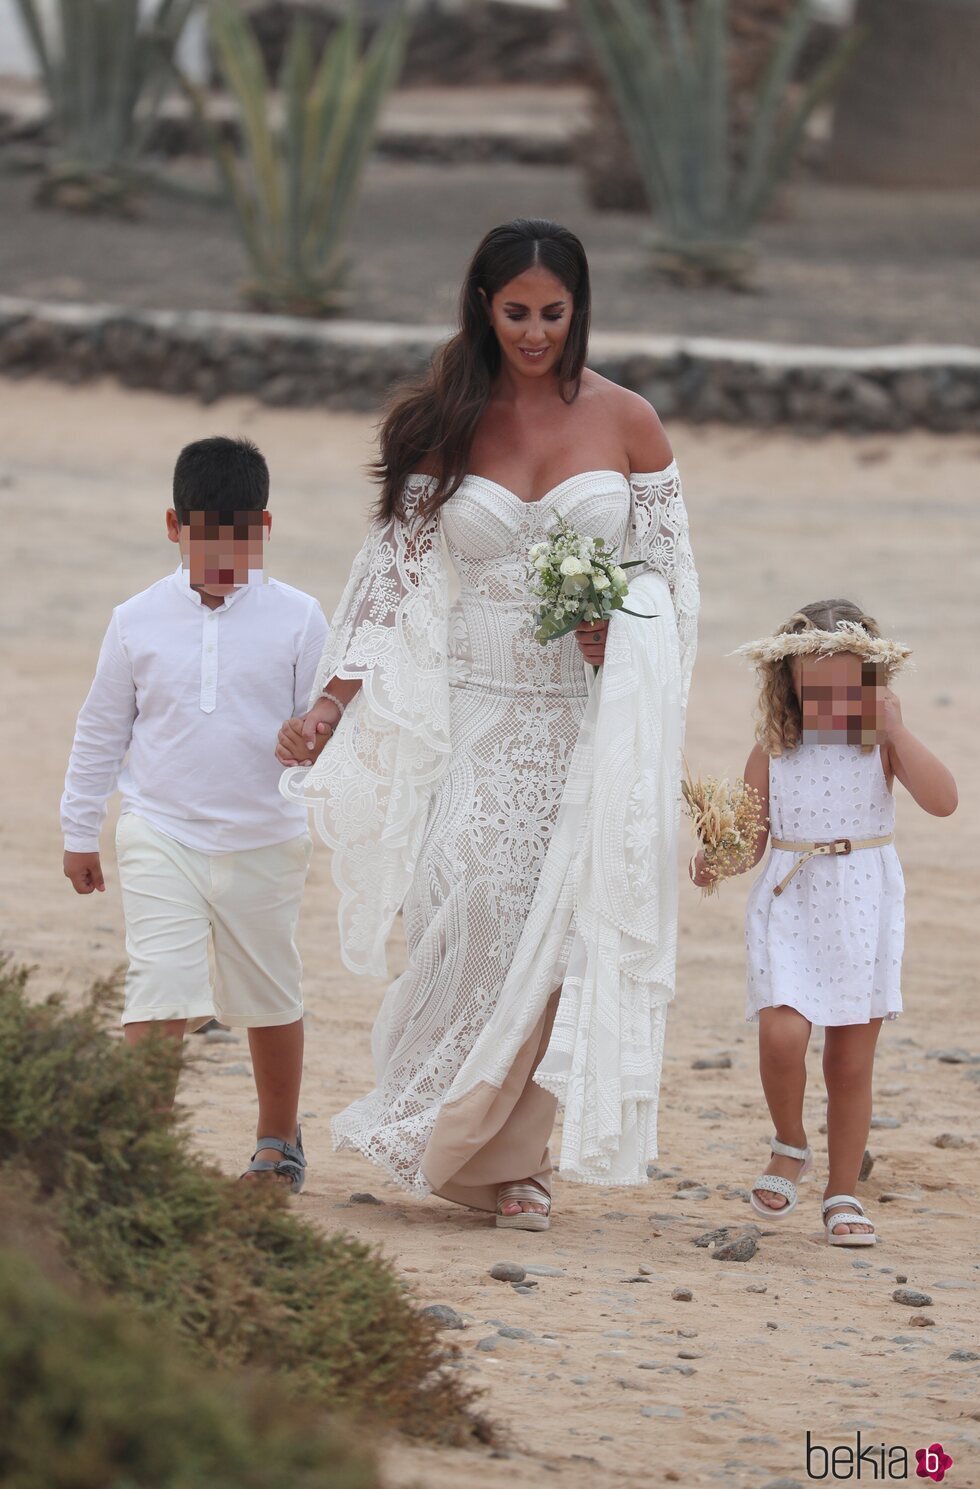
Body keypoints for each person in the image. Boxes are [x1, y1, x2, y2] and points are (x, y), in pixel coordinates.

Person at [277, 218, 699, 1230]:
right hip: (473, 714)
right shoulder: (443, 423)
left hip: (581, 719)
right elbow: (390, 577)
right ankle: (435, 1121)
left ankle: (514, 1163)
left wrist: (623, 628)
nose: (535, 331)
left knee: (556, 929)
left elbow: (672, 581)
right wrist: (333, 700)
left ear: (578, 309)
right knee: (460, 904)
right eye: (516, 312)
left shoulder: (629, 421)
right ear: (482, 305)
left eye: (553, 313)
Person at [61, 435, 328, 1192]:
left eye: (239, 538)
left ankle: (278, 1140)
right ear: (174, 528)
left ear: (264, 528)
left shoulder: (301, 619)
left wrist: (306, 738)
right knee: (160, 984)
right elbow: (101, 729)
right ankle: (140, 1151)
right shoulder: (135, 619)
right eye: (205, 536)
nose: (222, 553)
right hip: (159, 829)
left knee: (269, 989)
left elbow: (329, 727)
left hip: (265, 838)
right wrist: (81, 828)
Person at [691, 600, 957, 1245]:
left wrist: (897, 732)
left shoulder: (880, 750)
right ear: (790, 685)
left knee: (849, 1062)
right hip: (790, 895)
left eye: (848, 686)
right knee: (783, 1033)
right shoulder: (774, 750)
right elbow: (752, 840)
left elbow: (945, 802)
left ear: (871, 684)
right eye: (818, 688)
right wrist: (716, 857)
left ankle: (842, 1193)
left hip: (863, 899)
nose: (833, 700)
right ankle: (789, 1142)